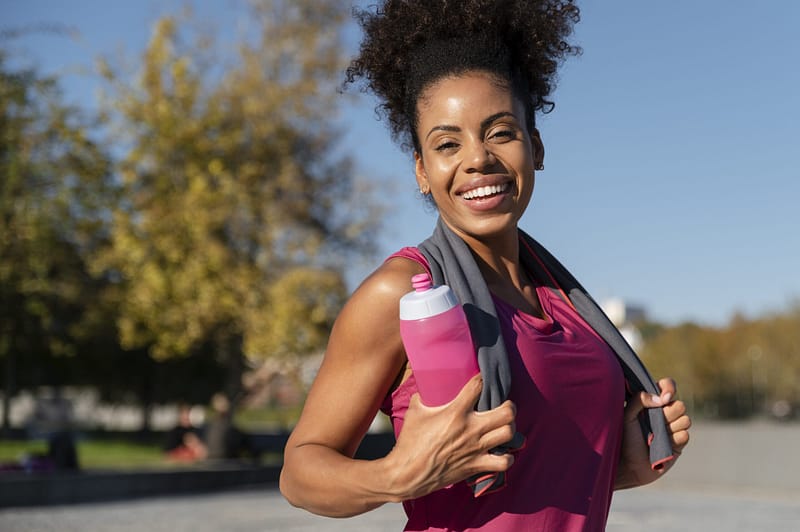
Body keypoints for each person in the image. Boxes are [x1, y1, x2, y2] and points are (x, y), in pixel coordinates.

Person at [280, 1, 691, 530]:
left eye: (500, 132)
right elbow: (300, 472)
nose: (478, 158)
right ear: (422, 171)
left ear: (535, 146)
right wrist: (398, 475)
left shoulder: (568, 303)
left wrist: (625, 466)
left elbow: (538, 478)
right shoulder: (403, 292)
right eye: (447, 143)